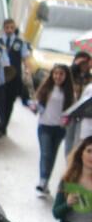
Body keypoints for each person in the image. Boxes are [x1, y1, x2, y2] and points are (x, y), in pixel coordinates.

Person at [32, 64, 75, 194]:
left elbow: (72, 112)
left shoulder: (69, 93)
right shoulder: (46, 88)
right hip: (44, 126)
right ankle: (42, 180)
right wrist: (34, 107)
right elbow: (37, 104)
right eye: (55, 73)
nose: (58, 76)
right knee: (45, 154)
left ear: (66, 76)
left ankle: (45, 181)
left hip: (59, 129)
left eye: (61, 74)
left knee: (52, 155)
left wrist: (67, 120)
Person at [0, 18, 32, 134]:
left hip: (14, 77)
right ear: (4, 28)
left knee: (9, 102)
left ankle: (4, 126)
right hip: (0, 77)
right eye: (7, 27)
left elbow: (25, 57)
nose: (9, 30)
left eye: (12, 28)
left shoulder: (19, 42)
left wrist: (27, 70)